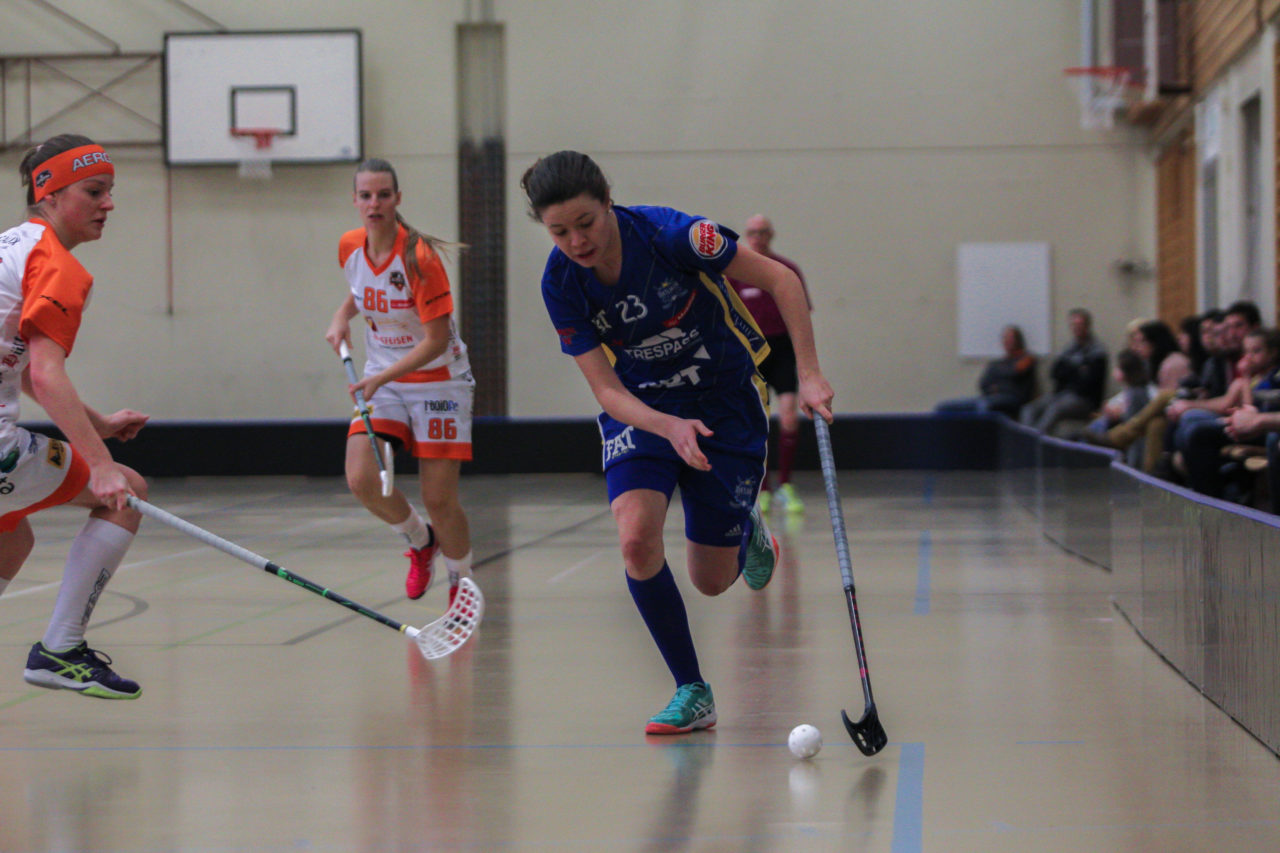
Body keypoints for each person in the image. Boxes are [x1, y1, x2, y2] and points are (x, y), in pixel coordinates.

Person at [523, 151, 834, 735]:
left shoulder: (676, 237)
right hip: (643, 410)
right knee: (636, 540)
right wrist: (665, 426)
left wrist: (810, 373)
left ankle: (746, 528)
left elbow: (781, 279)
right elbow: (605, 387)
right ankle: (692, 690)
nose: (576, 241)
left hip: (725, 402)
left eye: (585, 223)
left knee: (711, 581)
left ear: (608, 201)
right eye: (559, 231)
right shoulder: (560, 283)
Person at [0, 133, 150, 699]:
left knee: (11, 540)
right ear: (51, 192)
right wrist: (103, 462)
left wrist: (99, 423)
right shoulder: (56, 264)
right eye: (94, 191)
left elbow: (16, 368)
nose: (108, 204)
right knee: (128, 491)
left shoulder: (8, 246)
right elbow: (44, 373)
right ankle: (61, 650)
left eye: (110, 191)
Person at [324, 158, 474, 606]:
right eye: (365, 195)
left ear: (397, 200)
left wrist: (381, 376)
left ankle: (462, 582)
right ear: (355, 201)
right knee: (362, 479)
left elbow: (433, 341)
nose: (374, 204)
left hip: (439, 382)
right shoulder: (350, 246)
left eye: (383, 195)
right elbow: (359, 291)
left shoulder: (420, 259)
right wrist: (340, 317)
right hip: (384, 379)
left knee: (440, 499)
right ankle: (418, 539)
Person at [725, 214, 812, 514]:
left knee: (789, 416)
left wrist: (806, 363)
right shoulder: (735, 274)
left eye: (763, 232)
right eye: (752, 232)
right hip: (751, 355)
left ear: (771, 235)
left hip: (783, 352)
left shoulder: (786, 270)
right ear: (746, 236)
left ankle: (785, 486)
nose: (758, 238)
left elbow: (801, 315)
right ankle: (760, 488)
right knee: (756, 422)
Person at [1019, 308, 1107, 434]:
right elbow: (1055, 373)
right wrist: (1077, 370)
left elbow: (1088, 382)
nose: (1076, 328)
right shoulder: (1069, 348)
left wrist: (1069, 370)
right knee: (1029, 409)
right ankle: (1027, 439)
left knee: (1055, 409)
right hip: (1061, 394)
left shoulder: (1097, 351)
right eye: (1073, 325)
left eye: (1080, 324)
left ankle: (1036, 444)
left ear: (1087, 326)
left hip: (1084, 400)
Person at [935, 324, 1037, 418]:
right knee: (945, 407)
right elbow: (984, 383)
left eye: (1010, 338)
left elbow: (1015, 374)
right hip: (990, 397)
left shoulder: (1026, 359)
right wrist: (1003, 380)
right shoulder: (997, 363)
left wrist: (999, 383)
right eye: (1005, 338)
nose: (1006, 341)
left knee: (984, 407)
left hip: (1012, 400)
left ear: (1018, 340)